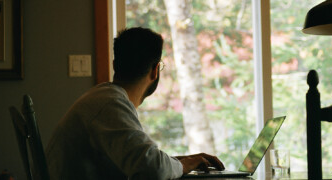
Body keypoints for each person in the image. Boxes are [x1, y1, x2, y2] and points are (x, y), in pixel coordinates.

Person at [45, 27, 225, 180]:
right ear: (155, 71)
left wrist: (181, 162)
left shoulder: (103, 98)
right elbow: (152, 168)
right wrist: (185, 164)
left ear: (115, 65)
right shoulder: (110, 104)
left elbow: (140, 160)